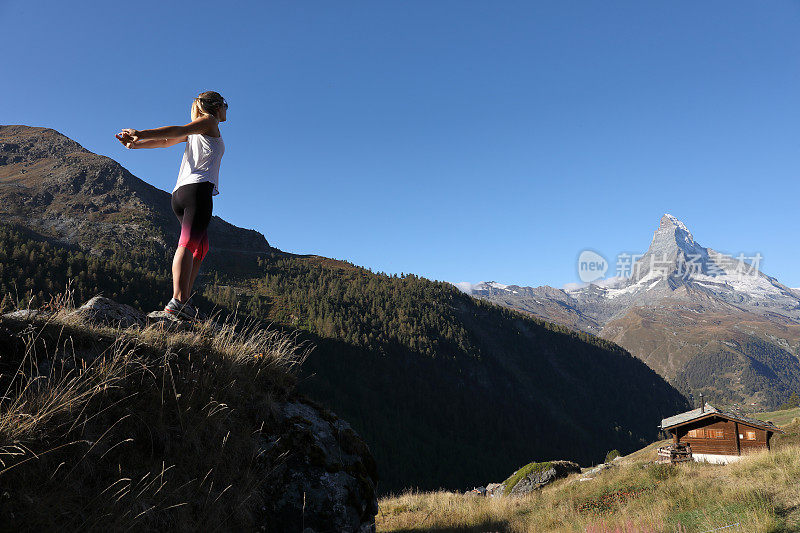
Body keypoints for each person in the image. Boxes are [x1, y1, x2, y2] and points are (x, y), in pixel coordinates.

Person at [116, 91, 227, 320]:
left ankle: (184, 300)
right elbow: (177, 131)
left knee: (200, 247)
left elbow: (167, 141)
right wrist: (141, 133)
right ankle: (178, 300)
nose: (226, 110)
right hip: (198, 191)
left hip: (181, 193)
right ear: (216, 107)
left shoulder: (198, 131)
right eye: (225, 105)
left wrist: (136, 145)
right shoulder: (208, 122)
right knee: (187, 244)